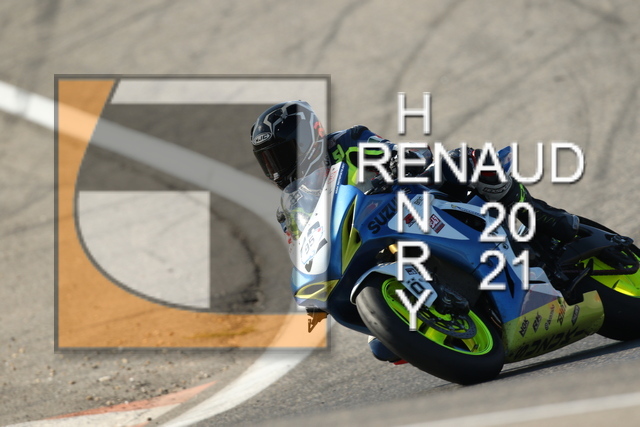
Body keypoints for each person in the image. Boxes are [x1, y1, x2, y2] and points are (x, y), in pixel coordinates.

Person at [250, 100, 579, 362]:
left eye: (282, 154)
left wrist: (395, 162)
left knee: (468, 162)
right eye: (268, 160)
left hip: (410, 198)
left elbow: (393, 152)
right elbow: (303, 244)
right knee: (382, 346)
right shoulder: (290, 207)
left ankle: (545, 221)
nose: (276, 167)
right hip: (367, 241)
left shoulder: (346, 142)